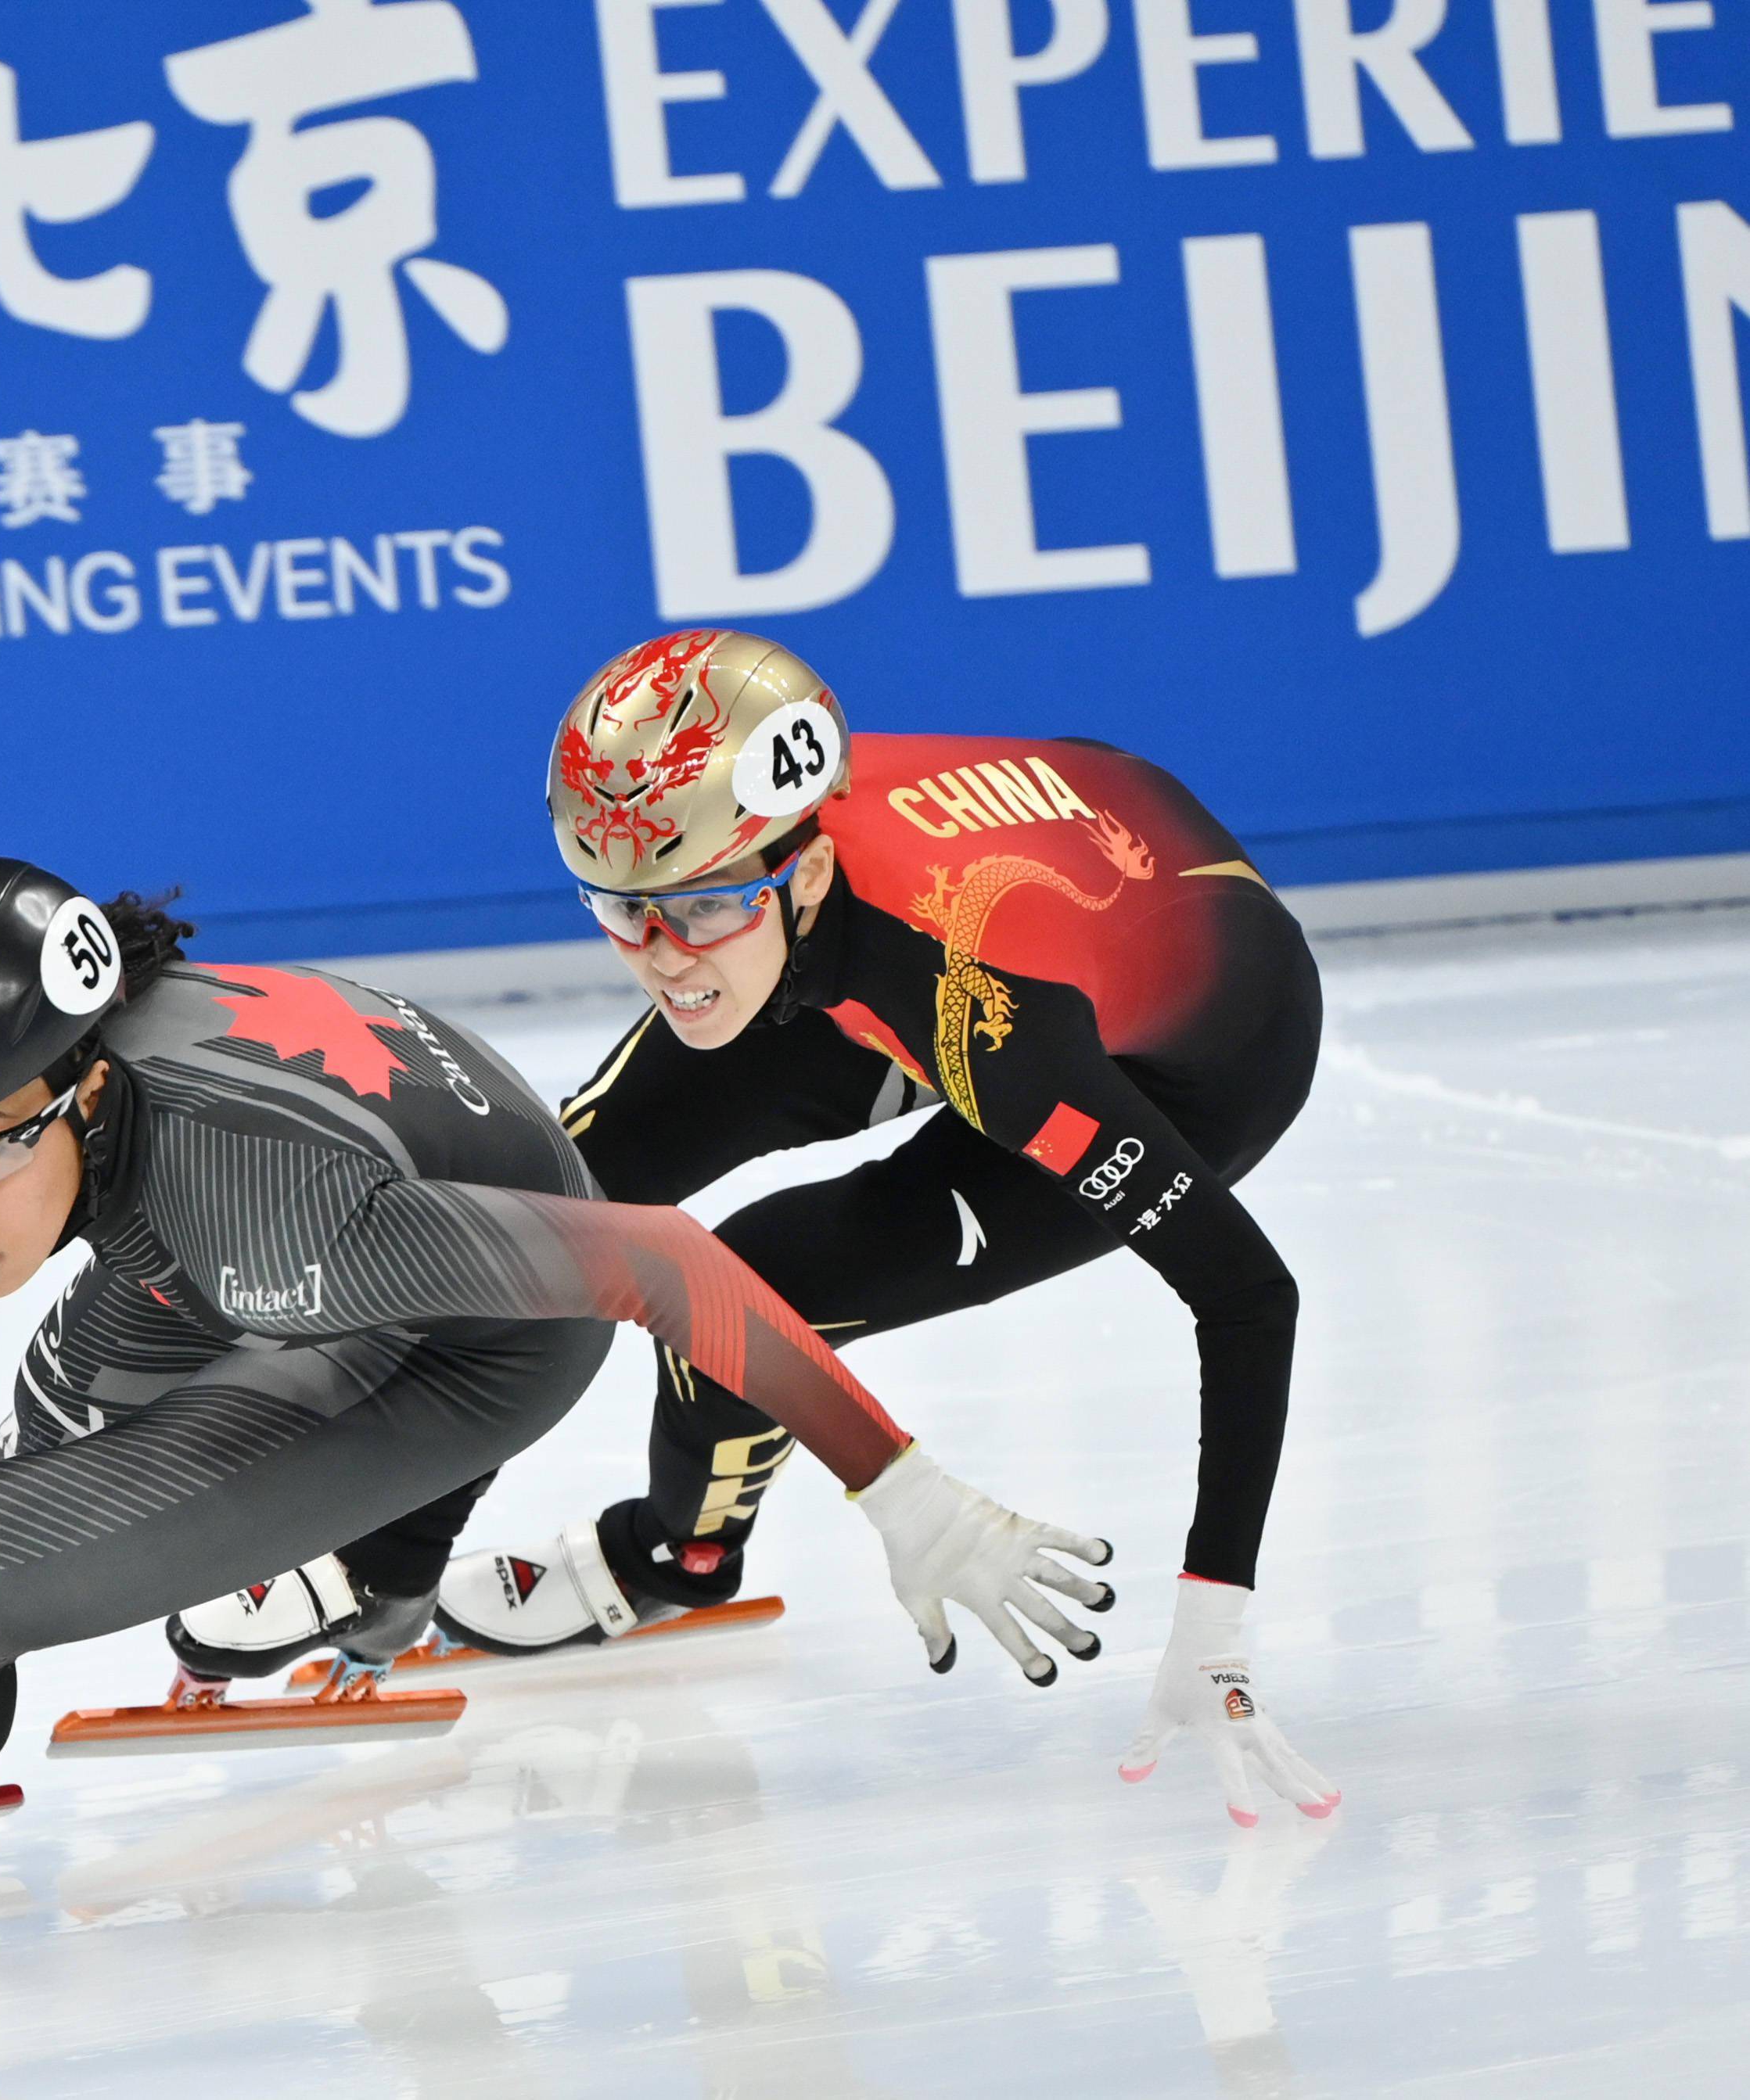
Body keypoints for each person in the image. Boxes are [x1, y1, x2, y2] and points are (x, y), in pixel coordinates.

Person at [0, 856, 1112, 1949]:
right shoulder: (97, 1080)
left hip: (450, 1341)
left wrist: (900, 1488)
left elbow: (666, 1260)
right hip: (281, 1240)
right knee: (29, 1431)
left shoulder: (281, 1215)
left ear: (79, 1088)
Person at [423, 626, 1336, 1828]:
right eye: (622, 912)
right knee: (553, 1186)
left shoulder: (988, 1023)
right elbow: (517, 1226)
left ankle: (671, 1558)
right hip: (947, 904)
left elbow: (1249, 1294)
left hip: (1191, 1054)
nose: (660, 962)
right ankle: (377, 1544)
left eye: (691, 913)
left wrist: (1215, 1618)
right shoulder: (743, 827)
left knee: (753, 1285)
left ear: (794, 873)